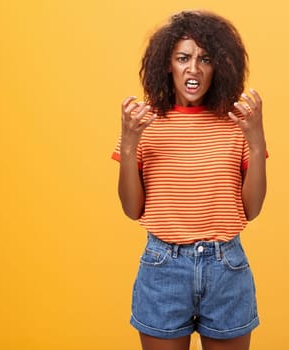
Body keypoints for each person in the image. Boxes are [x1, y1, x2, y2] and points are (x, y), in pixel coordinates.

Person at [112, 10, 267, 350]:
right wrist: (128, 144)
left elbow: (252, 209)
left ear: (219, 67)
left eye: (204, 59)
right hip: (163, 267)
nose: (193, 69)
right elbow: (131, 209)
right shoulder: (145, 123)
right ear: (168, 64)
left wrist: (256, 139)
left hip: (226, 267)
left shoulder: (235, 124)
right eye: (183, 58)